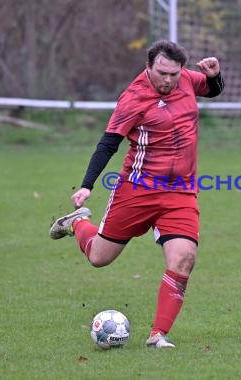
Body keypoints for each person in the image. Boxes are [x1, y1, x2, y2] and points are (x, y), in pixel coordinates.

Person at [49, 40, 224, 348]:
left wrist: (214, 76)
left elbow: (212, 89)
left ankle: (158, 335)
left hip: (180, 192)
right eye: (162, 73)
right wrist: (87, 184)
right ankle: (77, 223)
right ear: (148, 66)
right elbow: (108, 144)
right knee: (99, 258)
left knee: (184, 259)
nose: (168, 80)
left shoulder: (185, 79)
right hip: (137, 190)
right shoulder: (133, 97)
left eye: (174, 73)